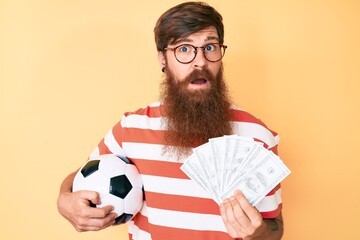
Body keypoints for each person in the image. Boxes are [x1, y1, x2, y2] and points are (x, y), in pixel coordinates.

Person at [57, 2, 284, 239]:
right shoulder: (130, 129)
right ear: (162, 59)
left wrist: (259, 233)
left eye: (210, 47)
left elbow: (275, 228)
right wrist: (64, 200)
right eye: (184, 49)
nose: (201, 61)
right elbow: (84, 175)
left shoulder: (257, 136)